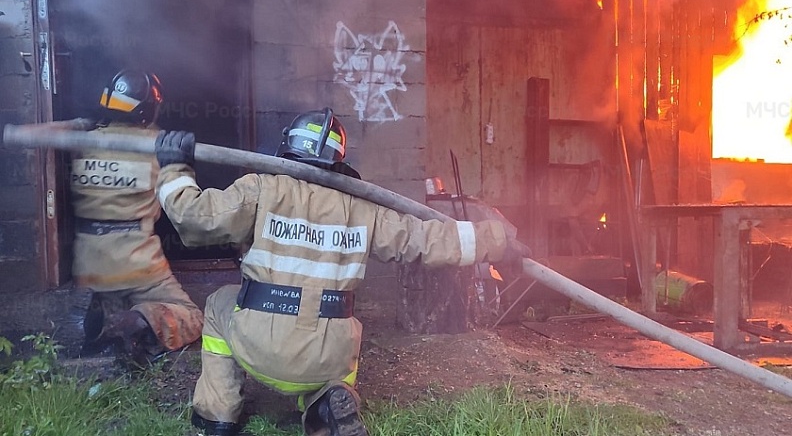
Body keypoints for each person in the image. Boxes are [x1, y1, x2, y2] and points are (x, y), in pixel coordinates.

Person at [153, 108, 530, 436]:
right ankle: (328, 404)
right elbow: (424, 237)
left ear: (289, 145)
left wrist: (174, 167)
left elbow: (194, 218)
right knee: (338, 353)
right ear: (339, 156)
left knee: (219, 303)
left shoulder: (262, 188)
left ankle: (217, 417)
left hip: (261, 347)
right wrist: (496, 240)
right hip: (329, 358)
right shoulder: (362, 206)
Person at [71, 69, 203, 365]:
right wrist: (179, 162)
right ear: (147, 111)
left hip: (88, 262)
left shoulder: (81, 142)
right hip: (137, 261)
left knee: (110, 290)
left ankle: (102, 311)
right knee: (192, 317)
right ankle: (136, 321)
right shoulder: (157, 146)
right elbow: (184, 207)